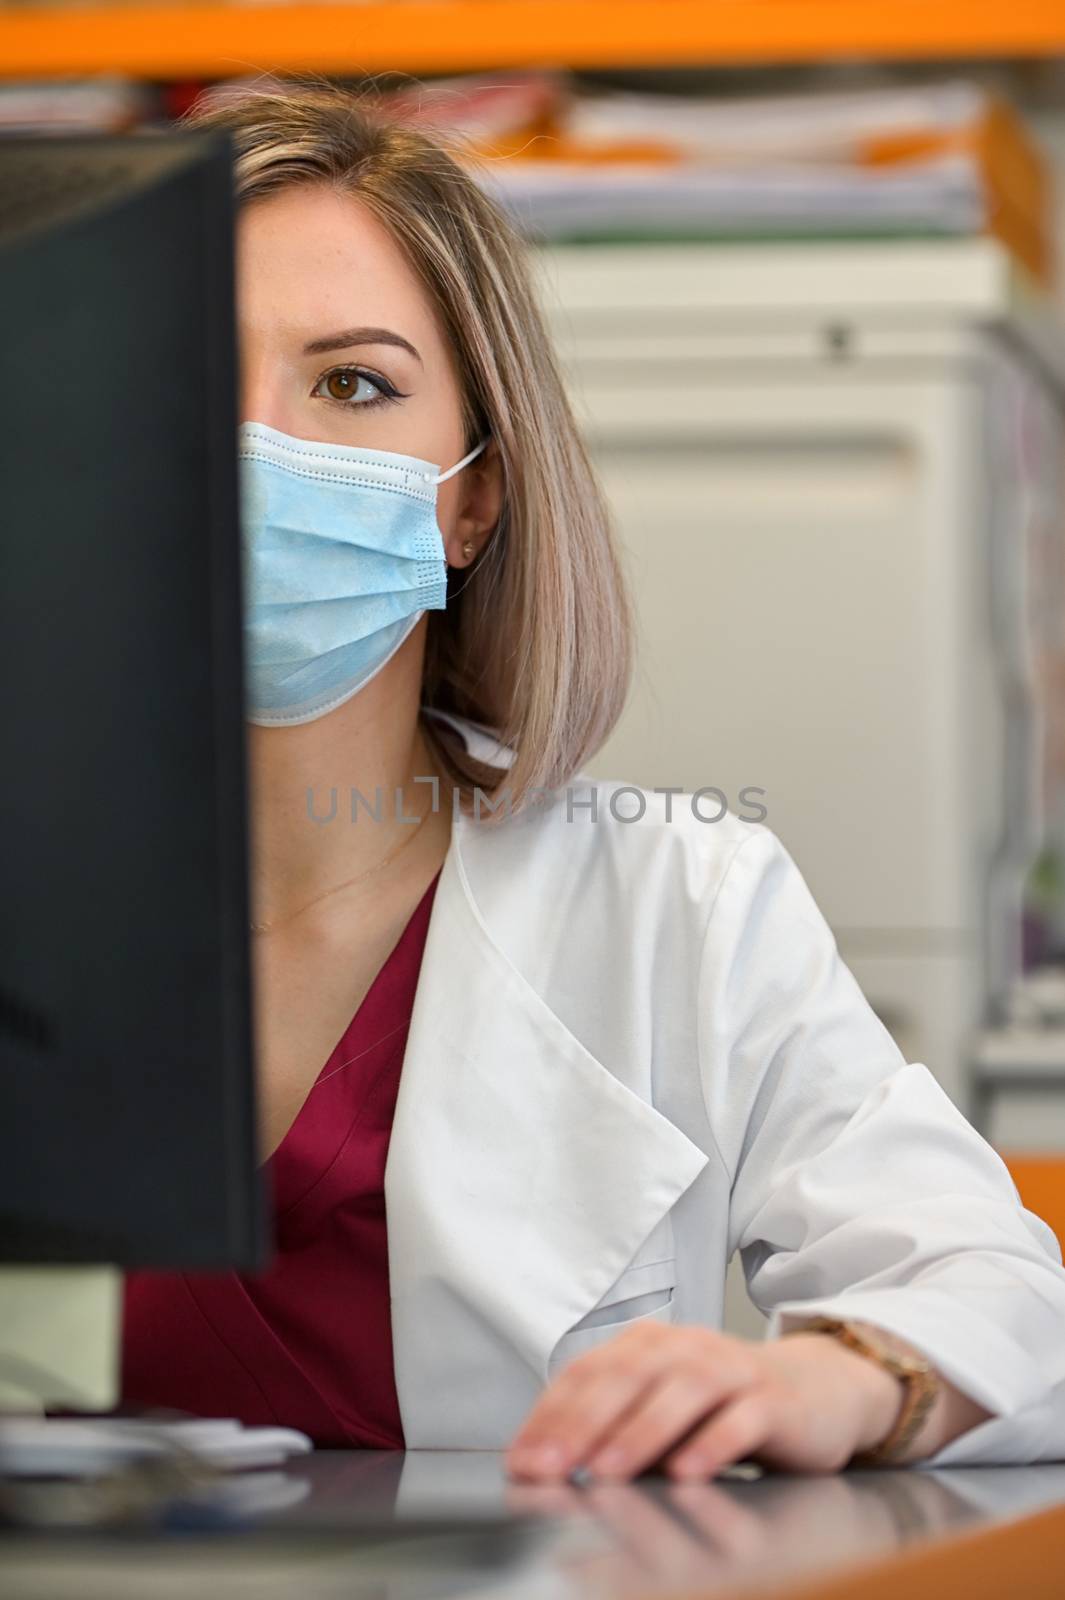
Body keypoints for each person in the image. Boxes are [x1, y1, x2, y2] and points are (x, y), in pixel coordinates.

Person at [121, 79, 1065, 1480]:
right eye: (187, 379)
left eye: (353, 383)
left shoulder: (673, 901)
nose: (258, 449)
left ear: (471, 497)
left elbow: (1001, 1300)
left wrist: (846, 1377)